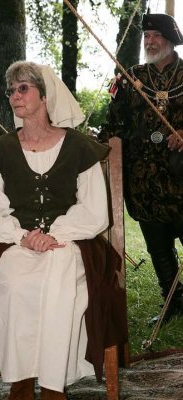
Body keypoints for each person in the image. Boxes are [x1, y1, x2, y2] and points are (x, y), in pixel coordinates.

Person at [0, 61, 127, 399]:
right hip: (12, 244)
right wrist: (22, 236)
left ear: (45, 94)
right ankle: (21, 381)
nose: (14, 96)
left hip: (71, 243)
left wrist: (57, 235)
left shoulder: (79, 148)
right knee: (16, 280)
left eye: (23, 88)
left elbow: (95, 211)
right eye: (11, 90)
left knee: (59, 274)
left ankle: (53, 385)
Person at [99, 13, 183, 325]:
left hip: (181, 177)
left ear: (170, 40)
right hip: (144, 181)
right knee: (158, 247)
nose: (149, 41)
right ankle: (173, 302)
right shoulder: (129, 77)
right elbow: (113, 124)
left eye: (155, 36)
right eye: (146, 36)